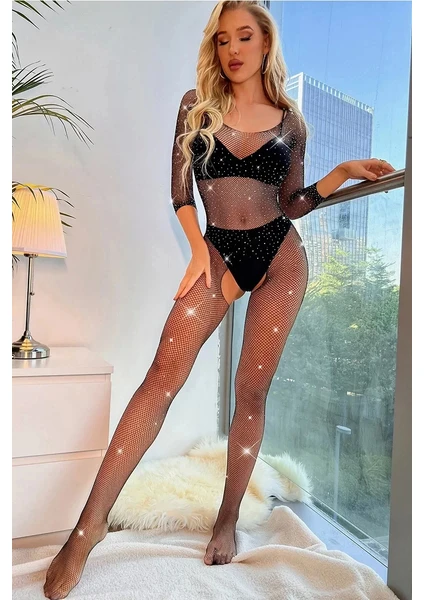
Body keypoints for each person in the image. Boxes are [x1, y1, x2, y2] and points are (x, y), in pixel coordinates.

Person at [43, 1, 395, 598]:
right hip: (219, 252)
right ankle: (87, 528)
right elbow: (180, 193)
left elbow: (291, 203)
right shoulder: (196, 107)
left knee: (250, 392)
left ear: (265, 44)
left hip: (280, 259)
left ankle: (228, 517)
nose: (233, 49)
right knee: (160, 380)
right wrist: (197, 252)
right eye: (223, 39)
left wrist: (339, 174)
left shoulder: (290, 121)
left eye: (245, 37)